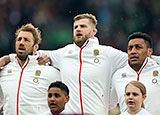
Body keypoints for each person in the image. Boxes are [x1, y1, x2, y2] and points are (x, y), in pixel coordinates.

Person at [0, 14, 160, 115]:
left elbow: (138, 57)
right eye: (75, 27)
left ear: (94, 31)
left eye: (83, 26)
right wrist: (8, 57)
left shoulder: (108, 53)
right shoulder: (63, 53)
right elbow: (31, 55)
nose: (78, 29)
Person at [0, 23, 60, 115]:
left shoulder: (50, 72)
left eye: (26, 40)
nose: (21, 42)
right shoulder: (3, 71)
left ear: (35, 47)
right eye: (19, 39)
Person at [110, 32, 160, 115]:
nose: (133, 51)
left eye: (138, 47)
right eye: (130, 48)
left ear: (149, 51)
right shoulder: (118, 75)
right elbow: (109, 104)